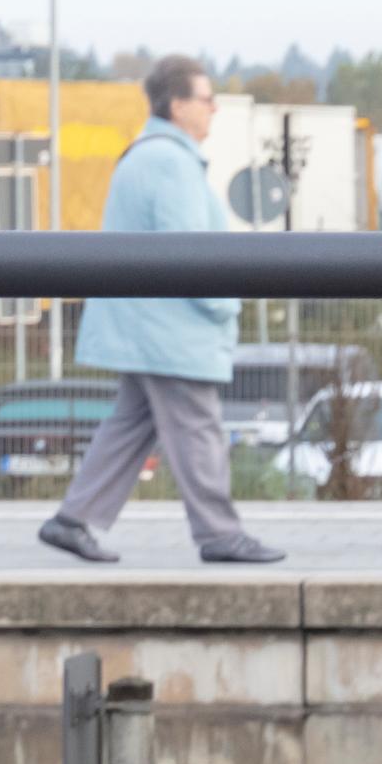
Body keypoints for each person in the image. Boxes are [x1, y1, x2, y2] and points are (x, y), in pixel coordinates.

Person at [40, 55, 280, 566]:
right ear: (178, 105)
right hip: (172, 328)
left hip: (145, 323)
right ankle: (219, 533)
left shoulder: (146, 155)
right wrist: (225, 303)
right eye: (205, 98)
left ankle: (74, 518)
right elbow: (190, 252)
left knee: (130, 424)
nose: (214, 108)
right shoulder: (171, 163)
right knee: (198, 429)